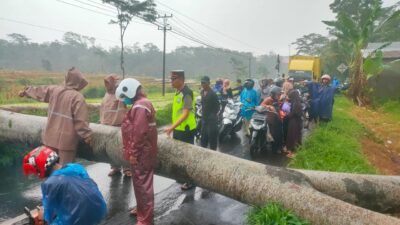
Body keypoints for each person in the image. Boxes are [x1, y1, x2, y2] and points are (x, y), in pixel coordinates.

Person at [19, 67, 92, 165]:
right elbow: (80, 120)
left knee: (50, 167)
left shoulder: (55, 90)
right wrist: (87, 135)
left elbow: (39, 91)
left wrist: (26, 92)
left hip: (50, 137)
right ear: (79, 82)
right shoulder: (77, 97)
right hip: (67, 142)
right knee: (64, 170)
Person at [23, 146, 107, 225]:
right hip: (100, 209)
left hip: (79, 220)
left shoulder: (49, 184)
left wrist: (42, 215)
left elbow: (48, 216)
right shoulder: (77, 167)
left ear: (40, 168)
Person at [116, 78, 158, 225]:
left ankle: (145, 219)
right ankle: (142, 210)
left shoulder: (140, 106)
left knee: (143, 185)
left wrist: (133, 153)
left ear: (131, 90)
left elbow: (139, 133)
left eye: (125, 96)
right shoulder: (140, 104)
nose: (125, 100)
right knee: (140, 184)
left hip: (142, 153)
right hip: (143, 151)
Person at [164, 70, 196, 190]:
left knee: (188, 156)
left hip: (186, 130)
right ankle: (183, 177)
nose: (171, 81)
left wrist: (171, 128)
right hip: (179, 129)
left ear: (181, 79)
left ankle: (190, 181)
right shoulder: (178, 92)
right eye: (171, 79)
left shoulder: (187, 93)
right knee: (179, 154)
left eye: (173, 79)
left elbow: (185, 114)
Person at [99, 74, 130, 177]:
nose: (107, 85)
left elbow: (124, 107)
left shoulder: (119, 94)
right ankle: (115, 167)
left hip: (119, 125)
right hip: (107, 126)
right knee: (110, 149)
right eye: (105, 83)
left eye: (108, 82)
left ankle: (127, 168)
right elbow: (103, 110)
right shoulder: (106, 95)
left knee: (122, 147)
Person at [199, 76, 220, 150]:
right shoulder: (202, 92)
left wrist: (212, 115)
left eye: (204, 83)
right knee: (203, 139)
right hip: (204, 120)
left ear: (208, 83)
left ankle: (213, 156)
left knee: (212, 140)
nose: (203, 84)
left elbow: (218, 107)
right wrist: (202, 108)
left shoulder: (213, 94)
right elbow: (203, 103)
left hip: (212, 121)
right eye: (202, 83)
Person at [284, 90, 303, 158]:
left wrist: (286, 115)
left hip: (295, 122)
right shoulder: (296, 102)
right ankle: (291, 150)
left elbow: (293, 113)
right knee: (294, 135)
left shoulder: (296, 104)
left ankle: (294, 153)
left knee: (293, 136)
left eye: (291, 96)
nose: (290, 97)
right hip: (295, 121)